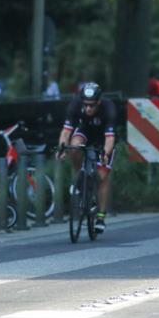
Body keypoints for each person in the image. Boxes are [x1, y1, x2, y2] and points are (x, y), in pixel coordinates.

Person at [57, 81, 117, 233]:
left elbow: (109, 138)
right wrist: (62, 148)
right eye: (86, 105)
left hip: (103, 138)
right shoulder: (75, 105)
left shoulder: (108, 108)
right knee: (74, 145)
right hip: (85, 132)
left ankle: (101, 216)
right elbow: (66, 132)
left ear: (99, 101)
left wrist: (105, 154)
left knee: (102, 175)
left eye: (92, 105)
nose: (88, 108)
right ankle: (80, 175)